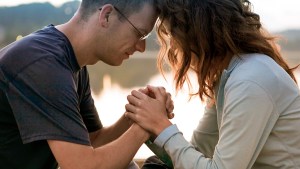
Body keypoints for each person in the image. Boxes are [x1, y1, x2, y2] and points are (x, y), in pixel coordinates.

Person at [125, 0, 300, 168]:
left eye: (173, 35)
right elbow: (196, 153)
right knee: (155, 164)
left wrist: (160, 125)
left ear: (196, 34)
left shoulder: (250, 80)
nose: (172, 46)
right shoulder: (230, 77)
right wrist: (148, 121)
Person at [0, 0, 174, 168]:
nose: (142, 47)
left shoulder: (72, 64)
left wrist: (137, 114)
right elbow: (82, 166)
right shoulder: (43, 65)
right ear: (106, 16)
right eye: (140, 33)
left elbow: (94, 141)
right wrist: (145, 125)